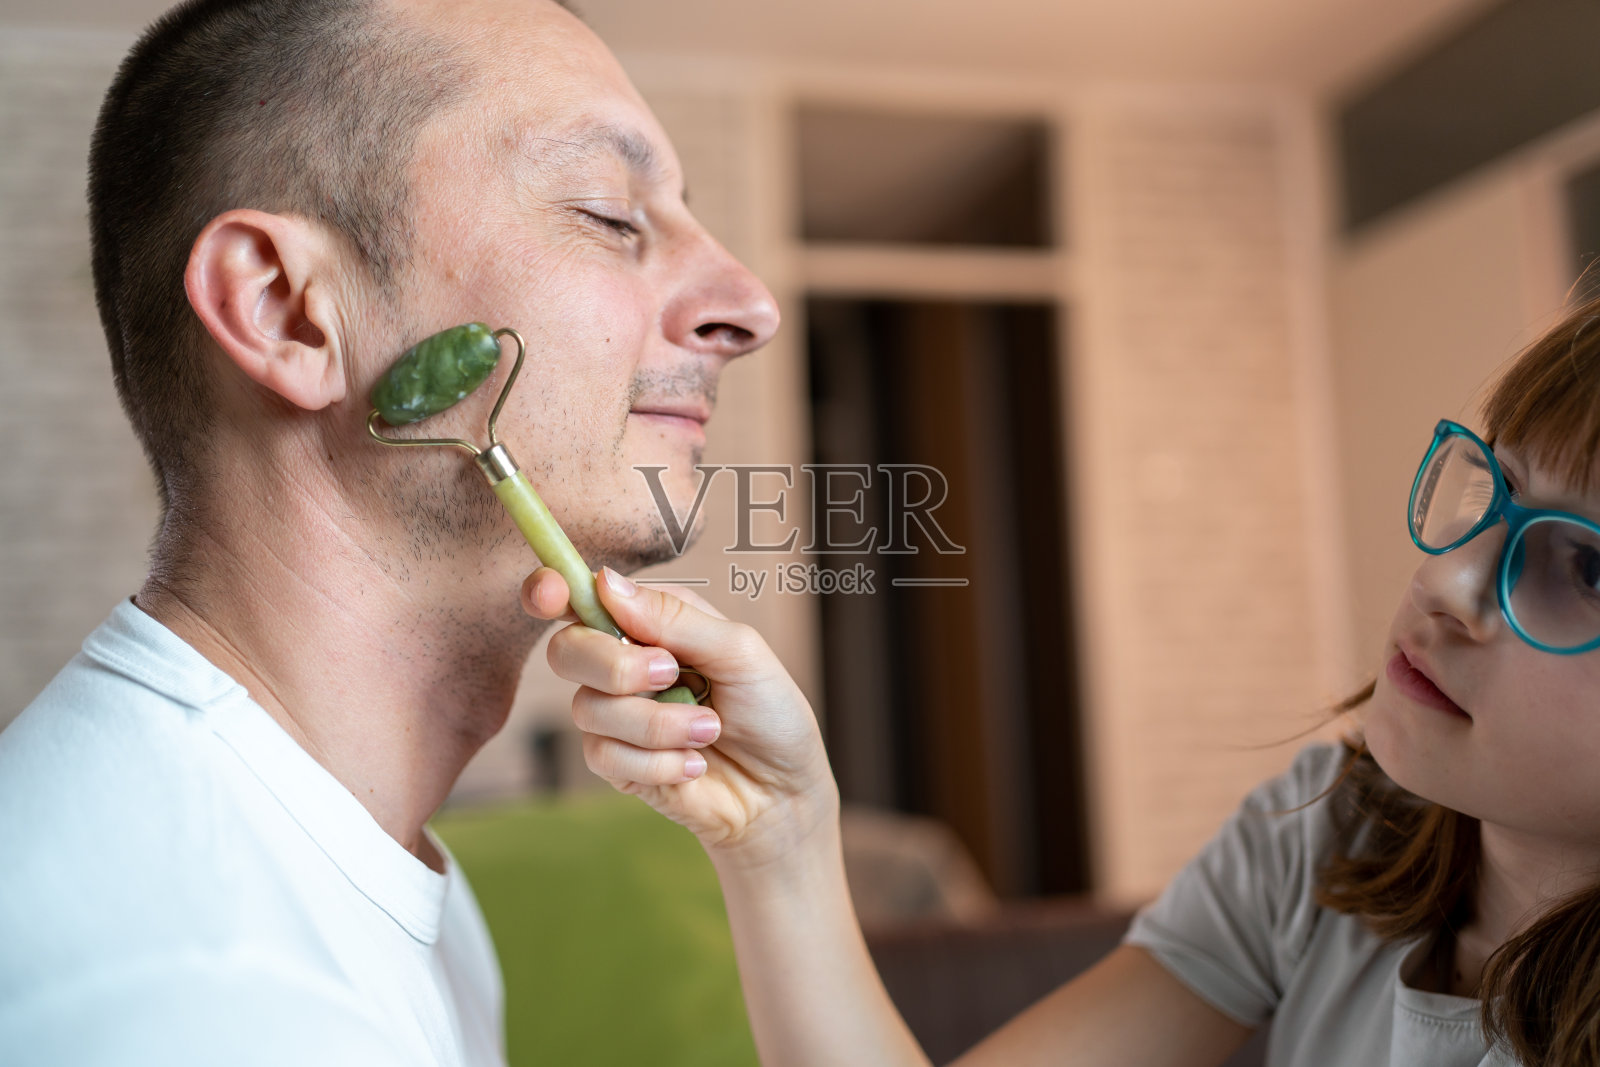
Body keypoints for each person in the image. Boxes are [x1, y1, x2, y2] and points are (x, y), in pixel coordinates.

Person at [527, 293, 1600, 1067]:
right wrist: (779, 836)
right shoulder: (1326, 834)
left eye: (1584, 567)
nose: (1447, 580)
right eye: (1492, 490)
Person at [0, 0, 777, 1062]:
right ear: (285, 308)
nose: (749, 305)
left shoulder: (372, 871)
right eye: (608, 212)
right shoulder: (185, 994)